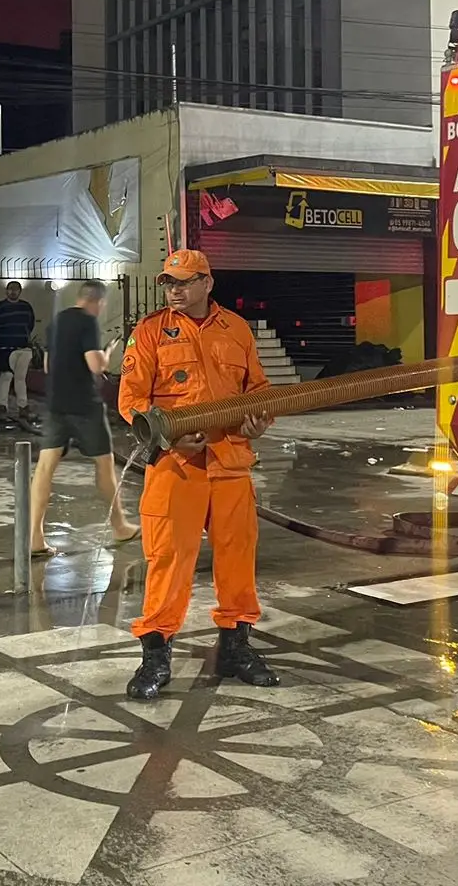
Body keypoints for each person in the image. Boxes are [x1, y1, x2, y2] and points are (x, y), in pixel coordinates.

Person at [117, 249, 276, 701]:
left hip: (231, 462)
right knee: (168, 560)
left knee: (237, 557)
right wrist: (167, 438)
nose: (174, 291)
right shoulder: (149, 332)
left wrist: (260, 419)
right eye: (169, 283)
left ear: (208, 283)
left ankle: (235, 647)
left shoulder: (237, 329)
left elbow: (258, 390)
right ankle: (155, 654)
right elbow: (131, 399)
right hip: (176, 467)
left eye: (184, 282)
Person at [29, 279, 138, 555]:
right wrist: (107, 355)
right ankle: (120, 526)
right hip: (84, 406)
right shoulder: (87, 322)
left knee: (44, 469)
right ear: (97, 301)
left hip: (55, 404)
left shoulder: (57, 322)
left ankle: (35, 537)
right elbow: (95, 364)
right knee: (104, 465)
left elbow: (46, 365)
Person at [0, 280, 38, 421]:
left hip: (24, 348)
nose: (13, 292)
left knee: (20, 378)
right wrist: (0, 340)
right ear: (6, 291)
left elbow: (30, 325)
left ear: (20, 291)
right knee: (6, 377)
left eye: (16, 289)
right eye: (10, 289)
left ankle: (23, 407)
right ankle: (3, 407)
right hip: (6, 348)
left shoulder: (26, 307)